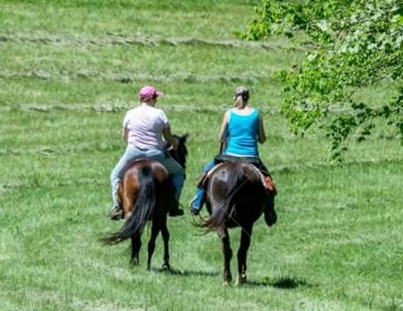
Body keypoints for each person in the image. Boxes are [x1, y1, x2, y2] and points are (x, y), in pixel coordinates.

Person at [189, 86, 277, 226]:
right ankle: (269, 210)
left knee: (206, 173)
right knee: (268, 182)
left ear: (234, 97)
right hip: (251, 158)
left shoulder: (229, 114)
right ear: (248, 98)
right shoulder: (256, 114)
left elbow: (221, 137)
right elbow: (262, 139)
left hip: (229, 156)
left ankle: (197, 203)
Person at [109, 85, 185, 220]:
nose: (156, 100)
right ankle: (174, 204)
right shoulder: (160, 113)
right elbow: (167, 136)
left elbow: (124, 137)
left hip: (133, 152)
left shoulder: (130, 113)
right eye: (155, 97)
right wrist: (174, 145)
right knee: (179, 172)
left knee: (115, 175)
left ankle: (118, 207)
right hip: (155, 153)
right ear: (150, 99)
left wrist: (134, 144)